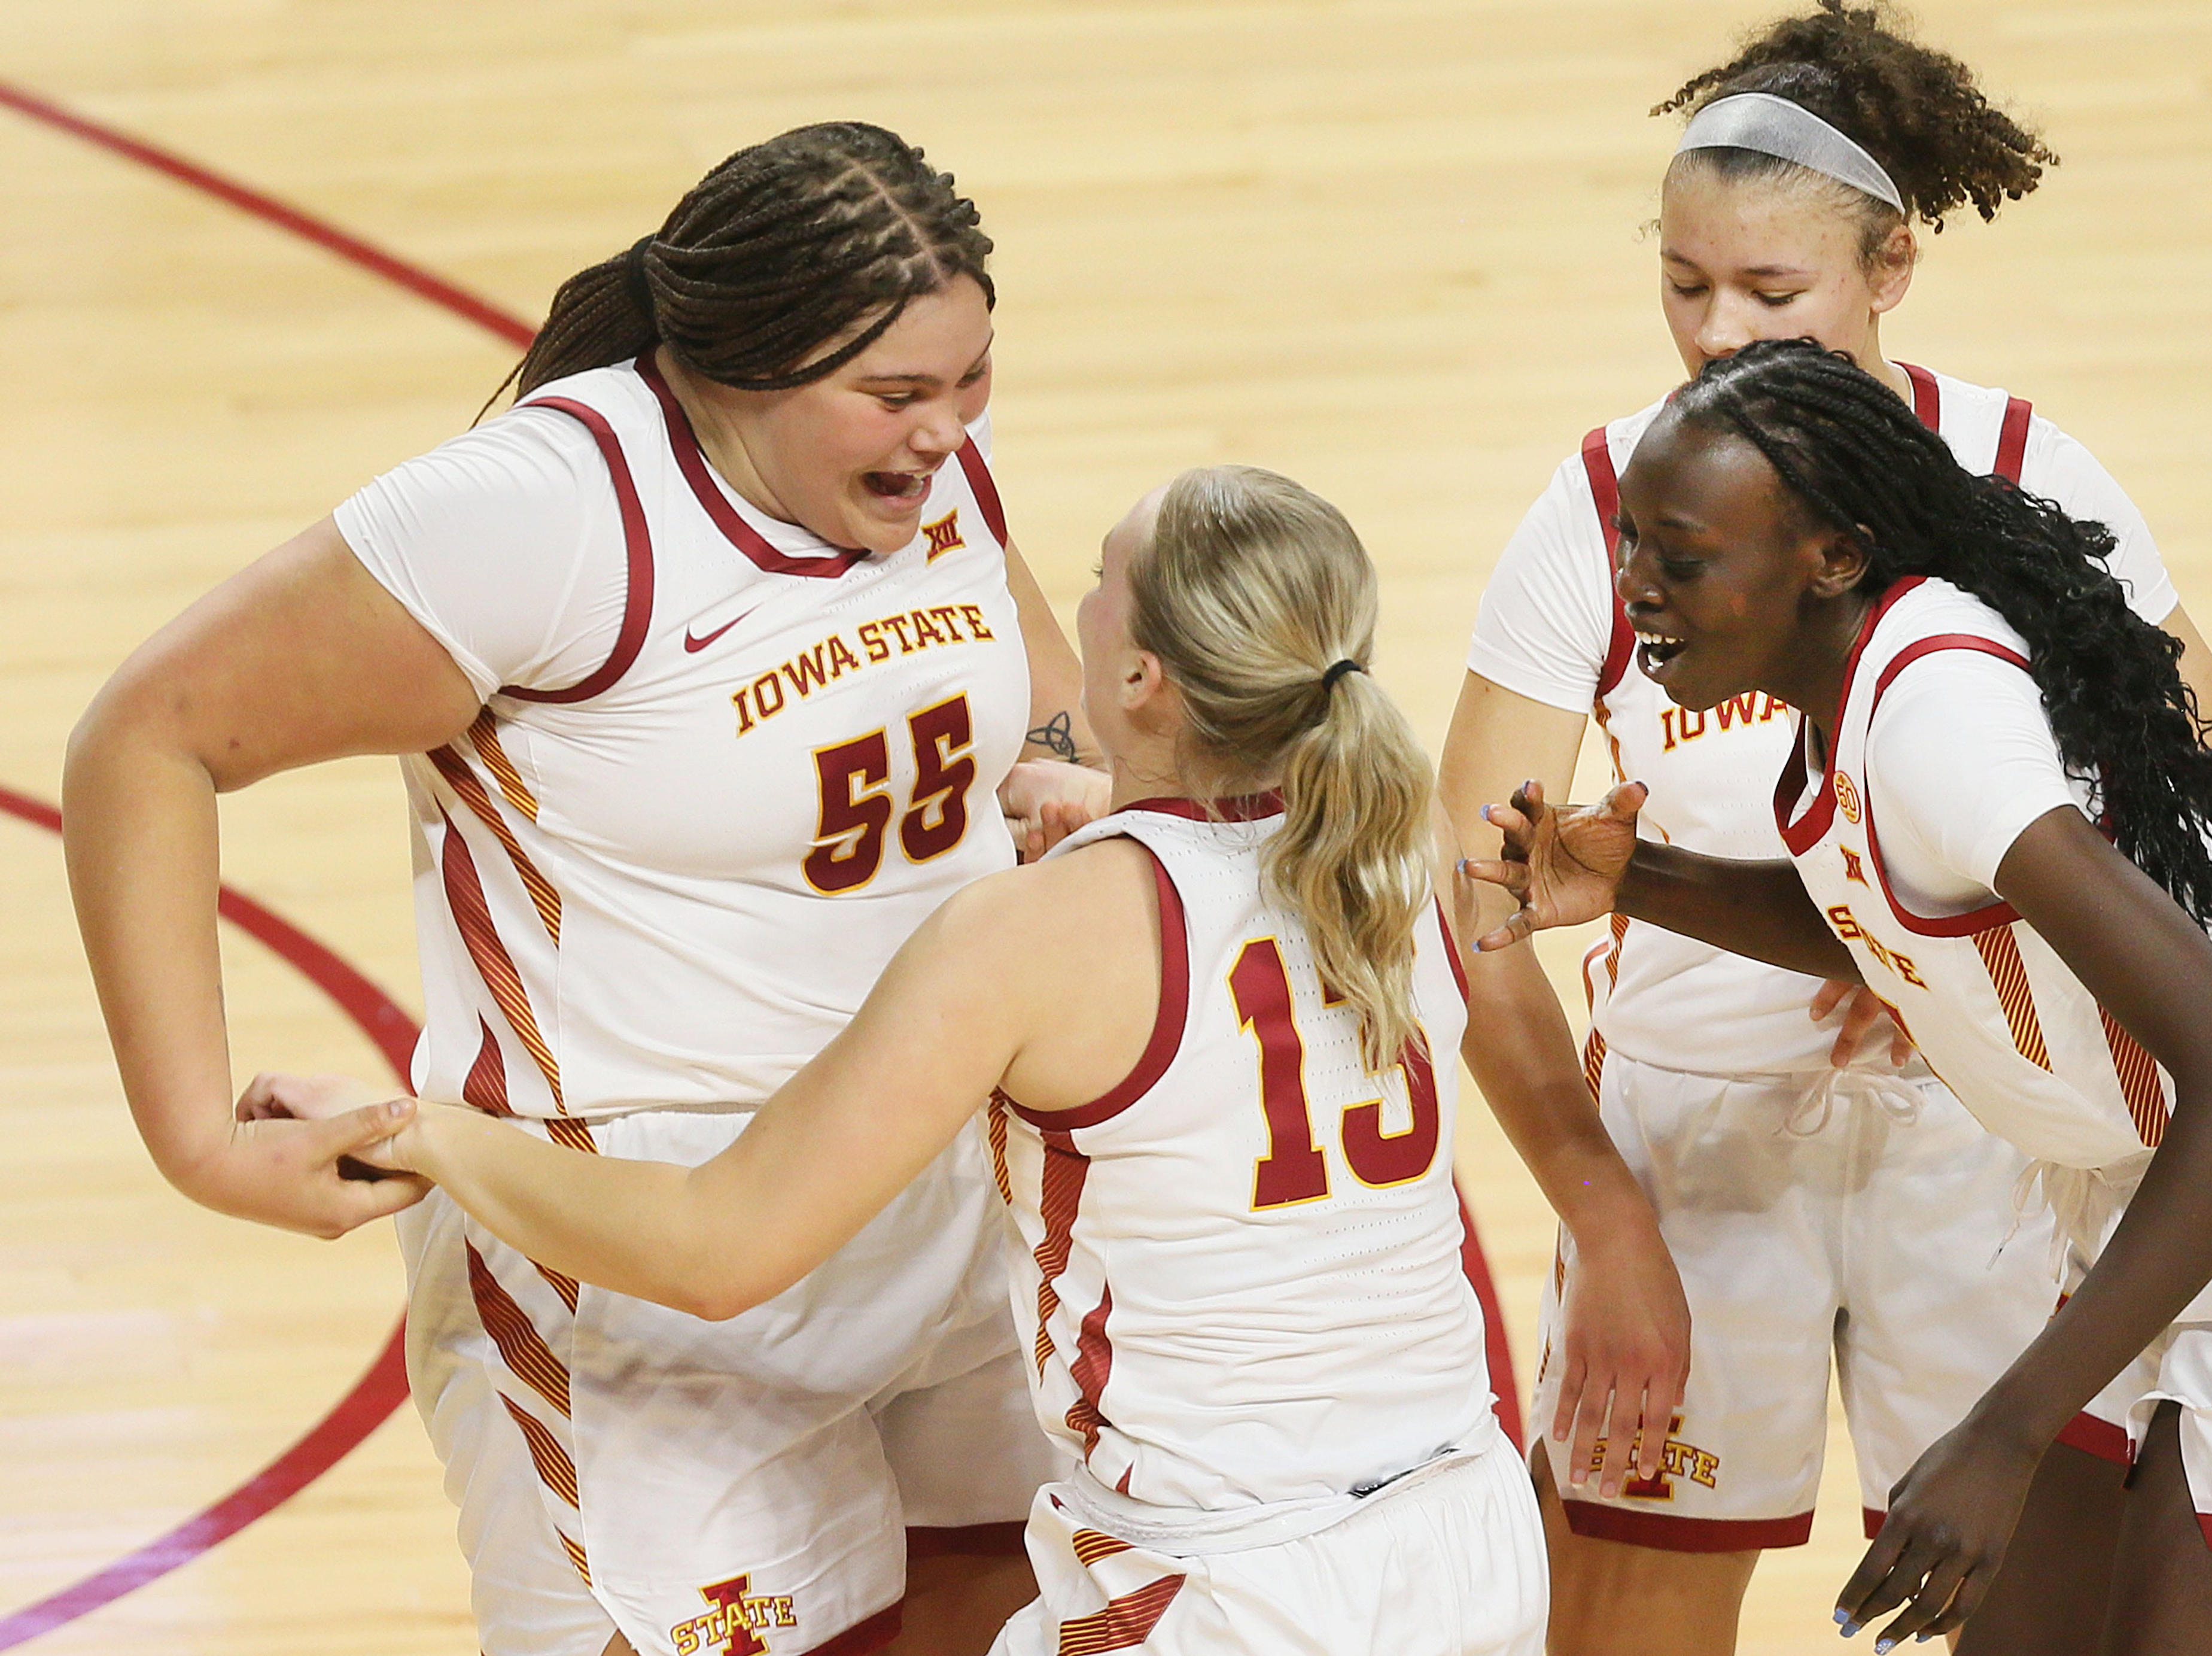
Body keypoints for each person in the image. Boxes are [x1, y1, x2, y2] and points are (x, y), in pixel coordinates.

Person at [62, 121, 1111, 1656]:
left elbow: (1039, 690)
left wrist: (1066, 776)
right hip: (640, 1266)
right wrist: (200, 1142)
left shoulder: (918, 467)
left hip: (949, 1206)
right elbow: (145, 739)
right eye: (896, 395)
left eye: (973, 380)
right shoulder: (544, 518)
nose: (949, 430)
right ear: (739, 369)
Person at [258, 466, 1548, 1656]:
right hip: (1469, 1536)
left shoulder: (1036, 937)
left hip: (1227, 1589)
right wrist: (1107, 809)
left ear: (1147, 677)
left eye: (1101, 583)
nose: (1075, 608)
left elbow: (718, 1243)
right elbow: (1234, 887)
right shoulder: (1397, 845)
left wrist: (422, 1131)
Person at [1437, 8, 2212, 1649]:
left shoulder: (2037, 479)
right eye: (1683, 284)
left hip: (1991, 1153)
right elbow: (1467, 909)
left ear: (1890, 265)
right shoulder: (1604, 499)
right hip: (1689, 1148)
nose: (1710, 333)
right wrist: (1599, 1220)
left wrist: (1954, 970)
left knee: (2022, 1606)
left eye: (1768, 291)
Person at [1469, 338, 2212, 1655]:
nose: (1636, 589)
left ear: (1829, 556)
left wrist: (2005, 1429)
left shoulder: (1939, 716)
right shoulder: (1843, 688)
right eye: (1629, 546)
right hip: (2159, 1180)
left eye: (1681, 555)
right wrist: (1637, 880)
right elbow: (1893, 913)